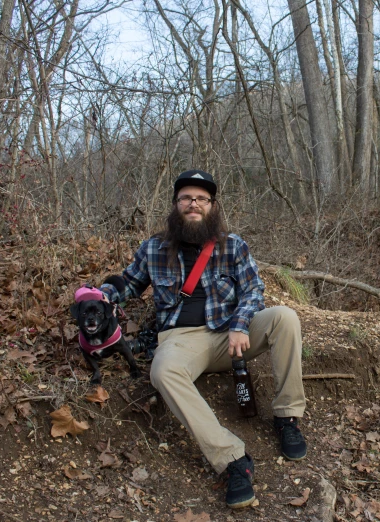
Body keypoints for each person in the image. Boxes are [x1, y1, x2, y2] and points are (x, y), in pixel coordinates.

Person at [99, 169, 307, 509]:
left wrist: (241, 324)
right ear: (176, 205)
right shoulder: (154, 247)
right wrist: (100, 296)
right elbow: (128, 284)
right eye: (186, 198)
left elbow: (254, 290)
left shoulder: (233, 245)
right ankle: (232, 459)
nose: (193, 204)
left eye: (201, 198)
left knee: (285, 318)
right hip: (182, 340)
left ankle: (287, 417)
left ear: (212, 206)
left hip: (231, 335)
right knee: (162, 371)